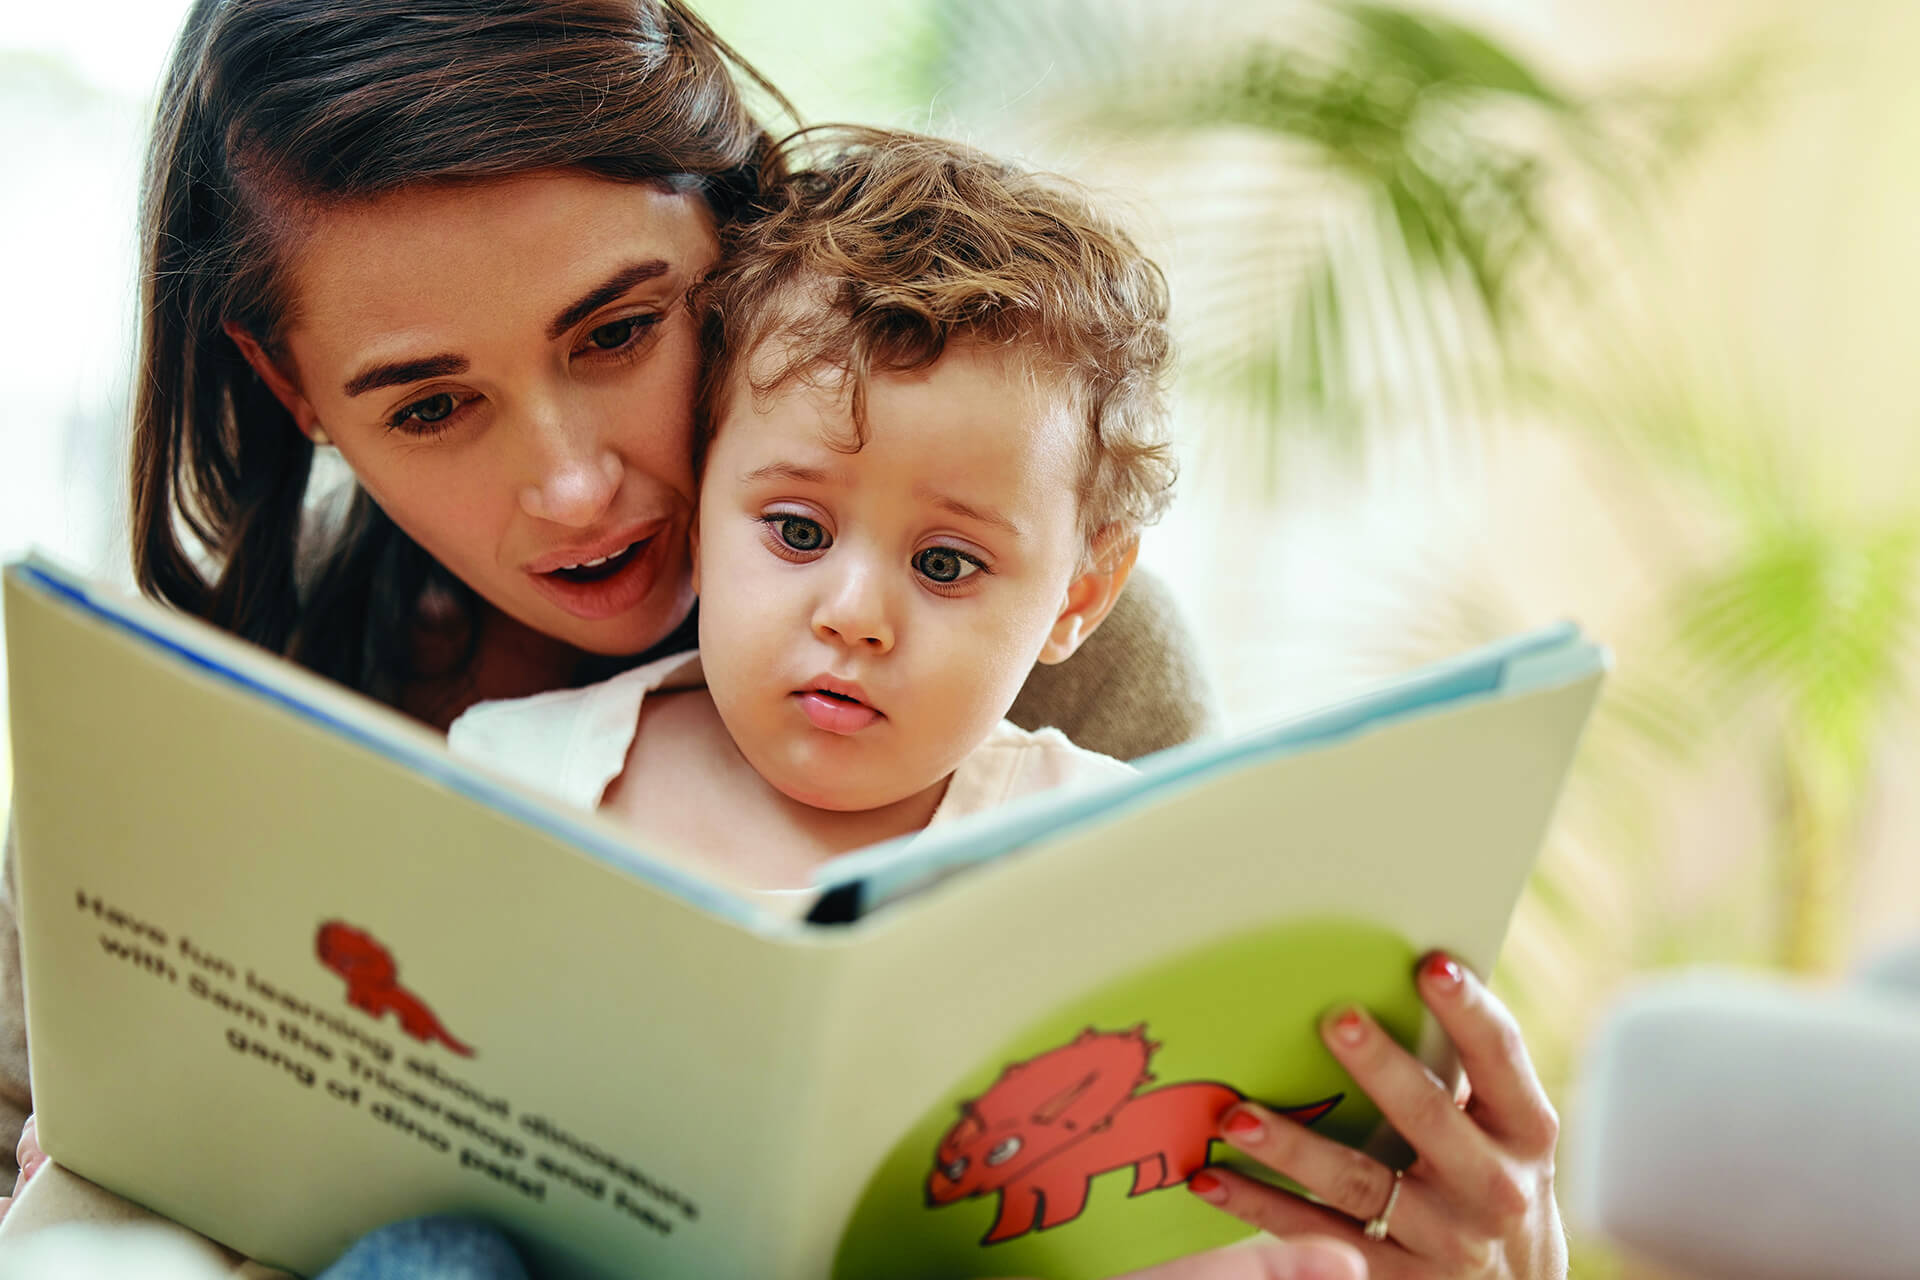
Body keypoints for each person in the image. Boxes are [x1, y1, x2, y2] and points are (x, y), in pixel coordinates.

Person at [0, 1, 1570, 1276]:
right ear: (296, 397)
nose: (570, 482)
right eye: (430, 404)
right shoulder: (187, 739)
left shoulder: (1062, 669)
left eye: (618, 329)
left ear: (739, 248)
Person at [449, 128, 1169, 871]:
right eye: (797, 532)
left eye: (946, 564)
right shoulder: (510, 775)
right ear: (700, 526)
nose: (854, 617)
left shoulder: (1112, 857)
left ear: (1078, 596)